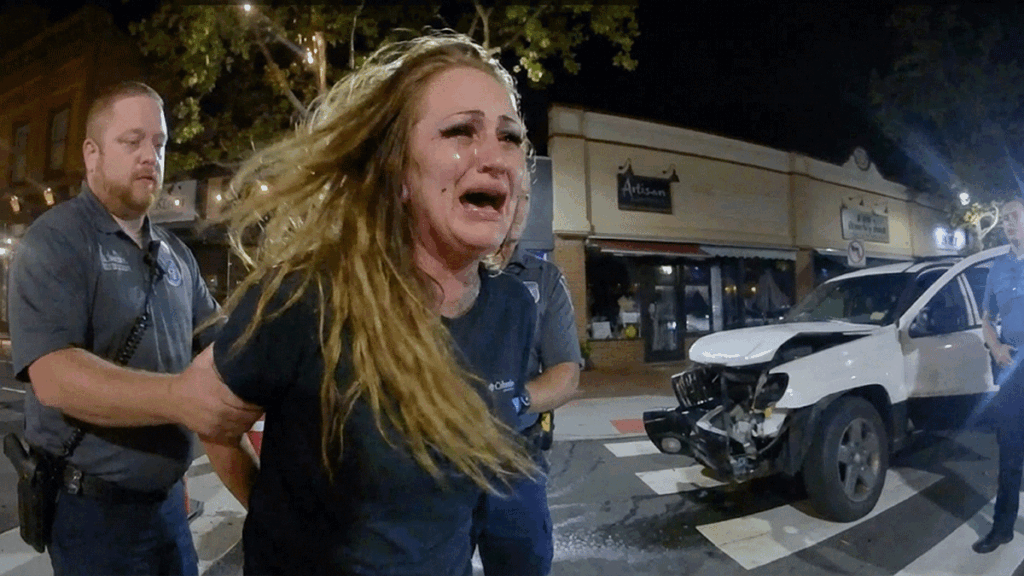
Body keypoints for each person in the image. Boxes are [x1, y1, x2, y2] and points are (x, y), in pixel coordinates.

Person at [192, 32, 540, 575]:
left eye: (510, 137)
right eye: (460, 131)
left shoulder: (515, 309)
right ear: (400, 173)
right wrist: (284, 531)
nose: (494, 157)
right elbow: (214, 427)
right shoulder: (307, 297)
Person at [7, 81, 263, 576]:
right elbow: (55, 377)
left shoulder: (176, 255)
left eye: (160, 144)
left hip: (169, 507)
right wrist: (180, 397)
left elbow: (226, 343)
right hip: (92, 517)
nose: (151, 156)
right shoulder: (55, 242)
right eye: (133, 141)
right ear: (92, 153)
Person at [474, 190, 582, 575]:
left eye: (521, 197)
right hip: (443, 461)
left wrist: (515, 402)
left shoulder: (543, 278)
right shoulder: (444, 271)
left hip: (516, 462)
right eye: (503, 196)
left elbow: (566, 373)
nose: (513, 207)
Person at [975, 196, 1024, 554]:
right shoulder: (997, 268)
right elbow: (987, 319)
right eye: (1005, 218)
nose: (1009, 223)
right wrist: (994, 347)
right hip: (1011, 367)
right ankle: (1002, 529)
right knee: (1009, 453)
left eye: (1015, 217)